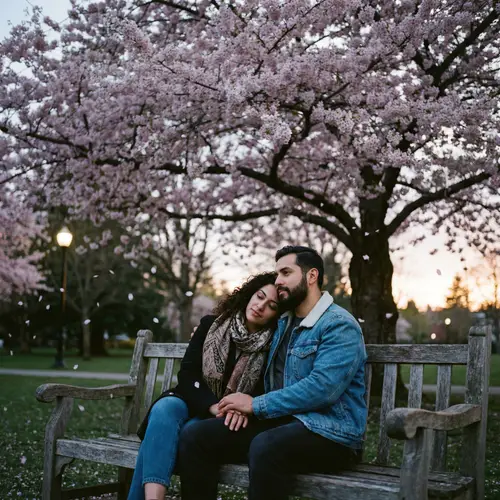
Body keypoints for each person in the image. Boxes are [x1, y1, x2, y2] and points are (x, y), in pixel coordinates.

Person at [178, 246, 368, 500]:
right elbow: (244, 335)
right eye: (277, 273)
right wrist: (205, 336)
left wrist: (256, 405)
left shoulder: (338, 325)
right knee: (196, 435)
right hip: (282, 422)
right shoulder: (282, 322)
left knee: (266, 446)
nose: (278, 280)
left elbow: (322, 389)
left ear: (311, 276)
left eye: (286, 272)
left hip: (331, 434)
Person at [127, 272, 280, 500]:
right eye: (259, 296)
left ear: (277, 315)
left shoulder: (273, 344)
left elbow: (263, 390)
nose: (260, 306)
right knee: (164, 409)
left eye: (271, 305)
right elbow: (188, 374)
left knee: (183, 433)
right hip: (194, 398)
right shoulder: (212, 325)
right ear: (250, 294)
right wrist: (211, 406)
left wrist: (232, 408)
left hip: (228, 416)